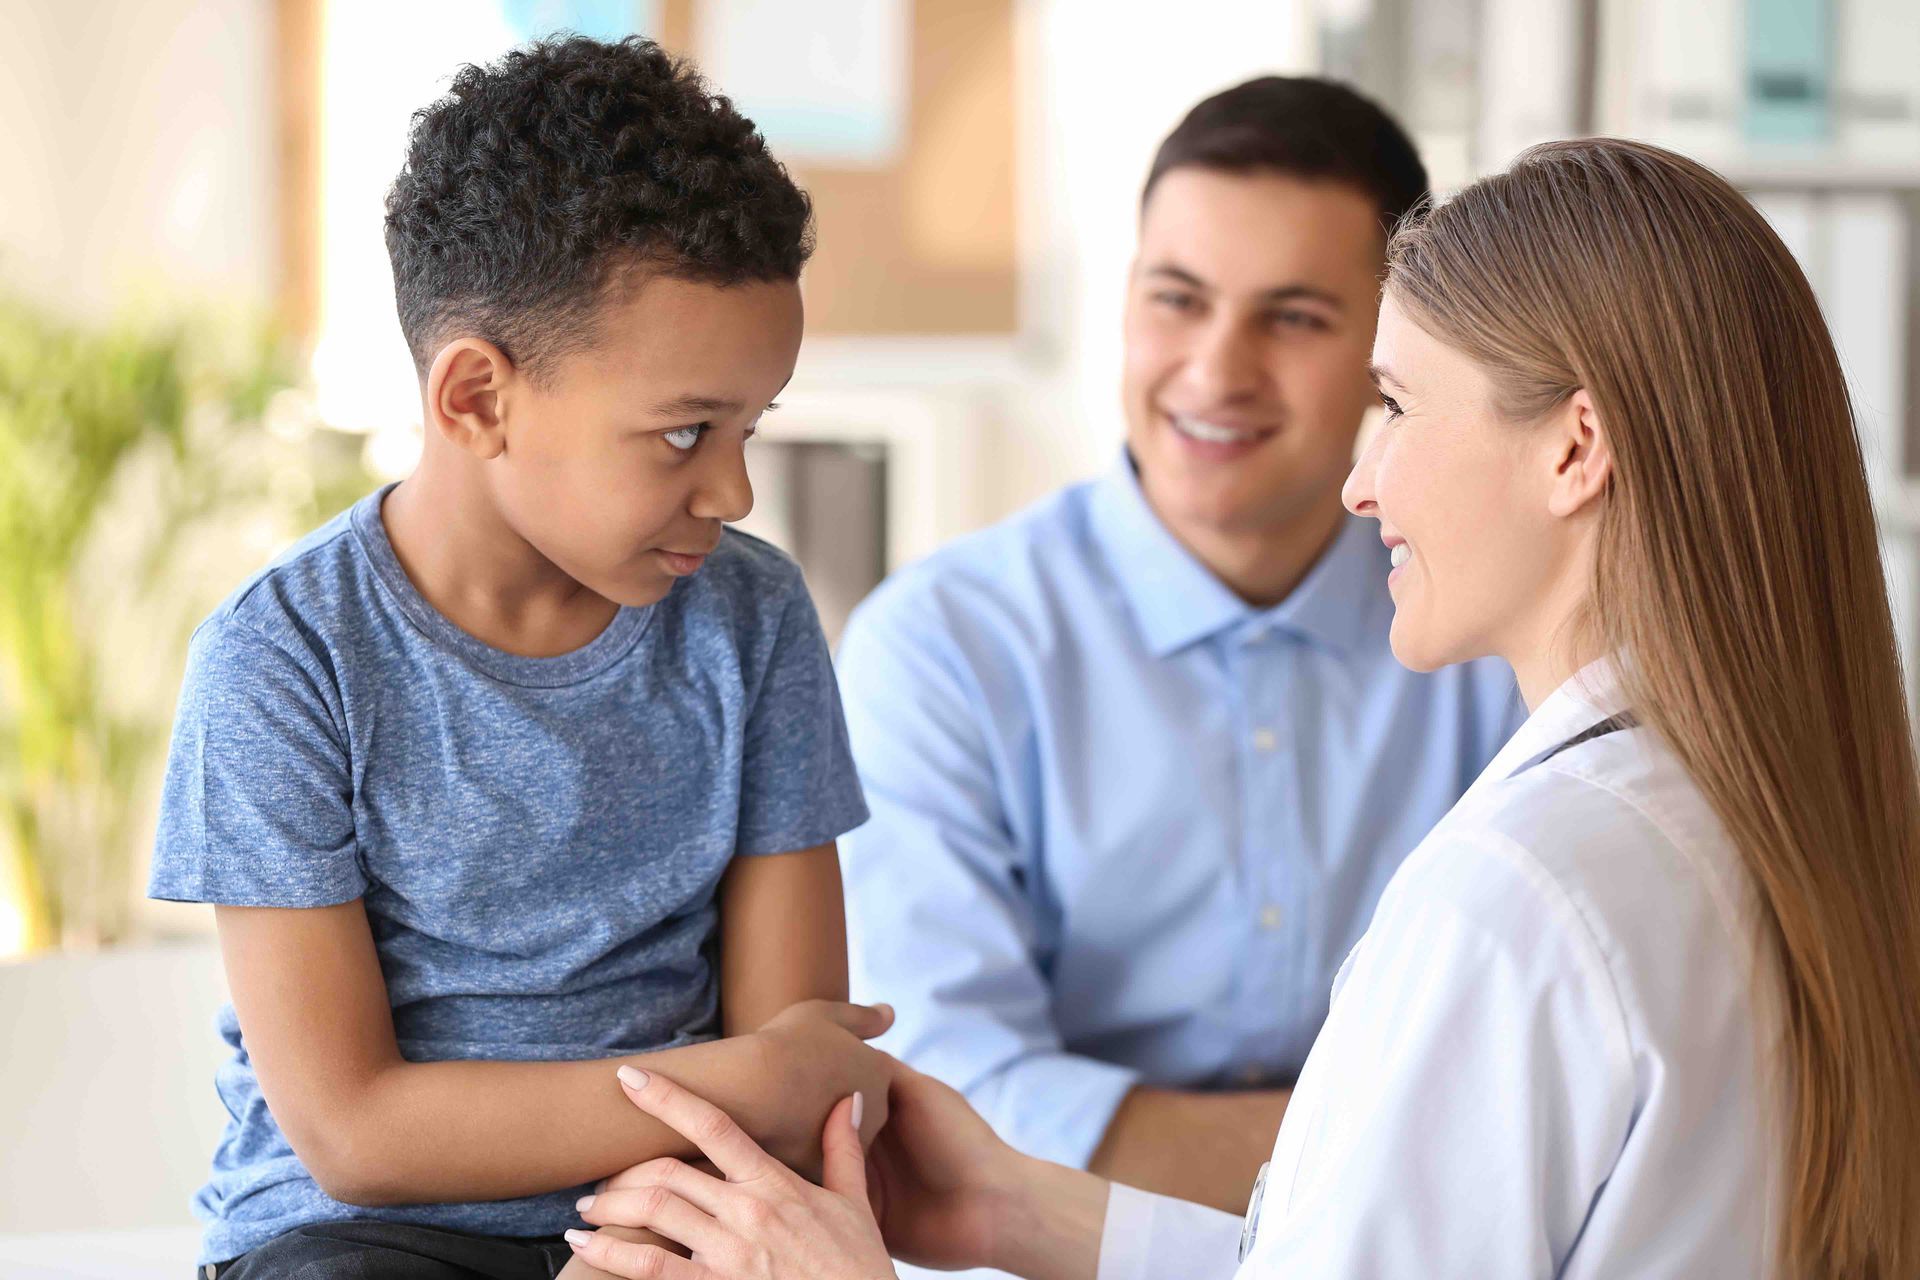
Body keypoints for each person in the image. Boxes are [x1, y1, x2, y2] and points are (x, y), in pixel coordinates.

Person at [562, 138, 1920, 1279]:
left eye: (1395, 402)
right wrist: (1015, 1207)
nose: (1360, 482)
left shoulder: (1517, 901)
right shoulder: (1746, 815)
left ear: (1575, 447)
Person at [147, 36, 893, 1280]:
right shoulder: (284, 658)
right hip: (361, 1241)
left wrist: (701, 1181)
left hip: (673, 1211)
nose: (737, 488)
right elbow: (353, 1131)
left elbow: (796, 1081)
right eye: (686, 432)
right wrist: (743, 1079)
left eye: (753, 425)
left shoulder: (750, 619)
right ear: (478, 398)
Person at [835, 76, 1522, 1218]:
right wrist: (1417, 1137)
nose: (1213, 371)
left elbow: (1557, 1062)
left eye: (1294, 317)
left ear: (1397, 351)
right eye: (1176, 299)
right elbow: (954, 1111)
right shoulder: (941, 646)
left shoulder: (1491, 639)